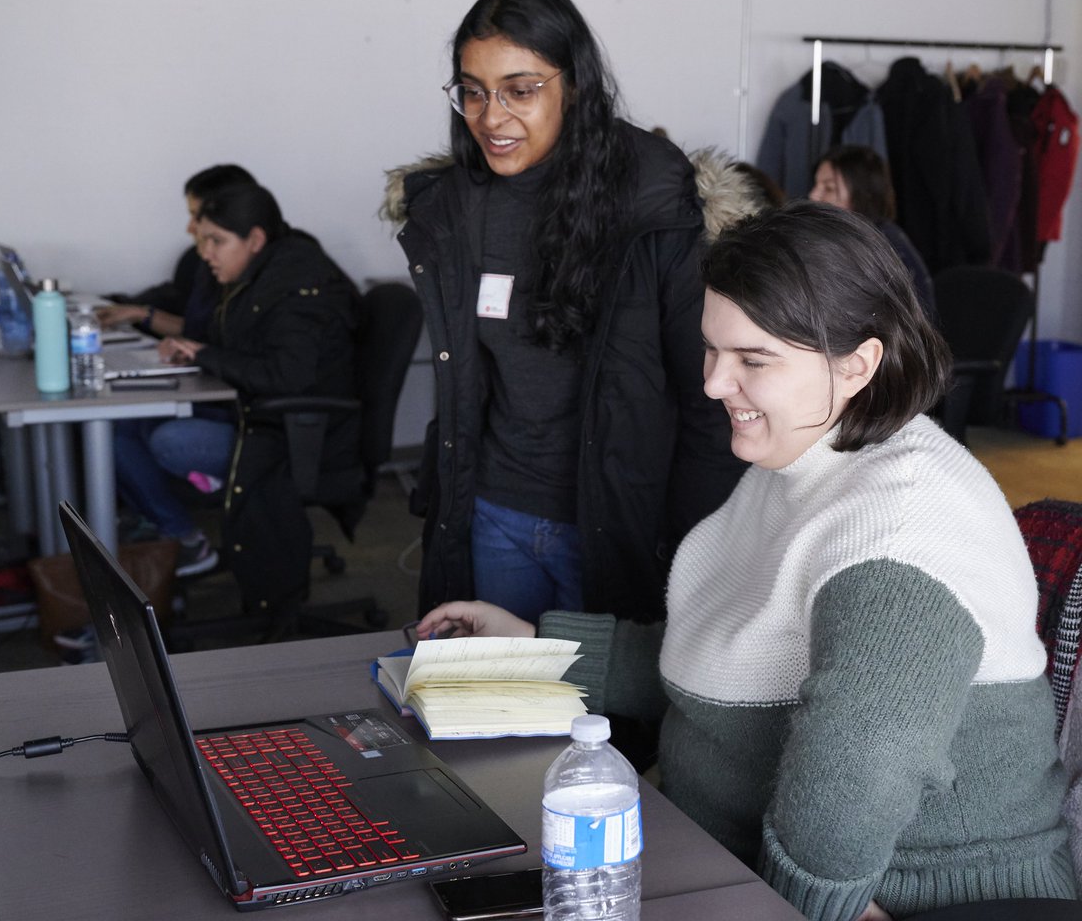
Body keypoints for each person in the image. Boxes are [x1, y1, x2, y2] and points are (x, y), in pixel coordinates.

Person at [417, 202, 1077, 920]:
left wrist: (794, 908)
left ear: (858, 364)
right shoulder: (807, 455)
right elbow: (725, 663)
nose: (713, 383)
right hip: (721, 853)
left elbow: (857, 777)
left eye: (752, 360)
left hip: (912, 896)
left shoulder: (901, 529)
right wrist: (533, 650)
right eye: (713, 349)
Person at [383, 0, 744, 624]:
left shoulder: (650, 197)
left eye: (520, 90)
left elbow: (707, 396)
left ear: (572, 84)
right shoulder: (457, 205)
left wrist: (695, 540)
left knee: (602, 717)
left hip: (613, 520)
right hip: (494, 511)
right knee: (500, 711)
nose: (491, 117)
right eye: (472, 90)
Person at [114, 184, 359, 588]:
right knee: (123, 430)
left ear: (256, 239)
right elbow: (234, 340)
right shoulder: (255, 275)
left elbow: (287, 376)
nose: (204, 252)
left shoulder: (297, 282)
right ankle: (182, 536)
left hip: (293, 437)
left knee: (170, 441)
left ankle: (183, 533)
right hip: (252, 413)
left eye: (216, 241)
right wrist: (193, 348)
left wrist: (203, 355)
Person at [96, 164, 257, 340]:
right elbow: (199, 330)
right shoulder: (199, 261)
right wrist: (139, 313)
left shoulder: (273, 277)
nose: (190, 228)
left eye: (198, 217)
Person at [808, 144, 936, 320]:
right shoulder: (849, 239)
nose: (813, 196)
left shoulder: (881, 247)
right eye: (816, 185)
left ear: (862, 194)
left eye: (829, 188)